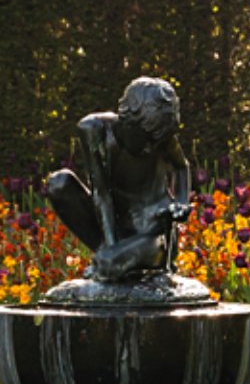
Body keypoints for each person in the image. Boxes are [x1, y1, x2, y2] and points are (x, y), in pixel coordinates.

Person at [45, 77, 192, 283]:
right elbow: (101, 193)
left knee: (109, 263)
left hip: (151, 232)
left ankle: (113, 262)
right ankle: (111, 259)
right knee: (59, 184)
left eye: (156, 143)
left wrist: (182, 202)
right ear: (128, 123)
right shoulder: (94, 130)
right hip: (114, 224)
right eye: (146, 140)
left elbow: (181, 166)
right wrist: (111, 247)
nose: (151, 149)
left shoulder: (160, 134)